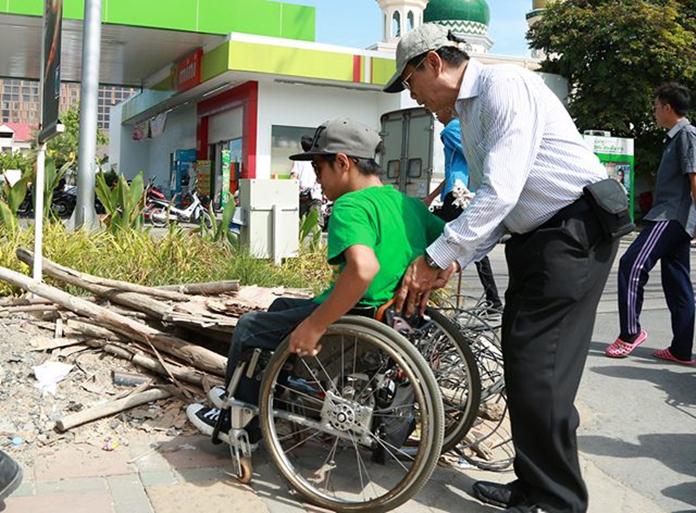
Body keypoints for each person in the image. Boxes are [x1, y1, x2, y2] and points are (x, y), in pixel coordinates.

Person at [383, 23, 622, 513]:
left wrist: (437, 257)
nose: (414, 97)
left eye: (409, 83)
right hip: (539, 237)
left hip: (572, 231)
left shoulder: (502, 86)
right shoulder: (469, 111)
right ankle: (534, 485)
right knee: (523, 363)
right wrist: (456, 257)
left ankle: (556, 502)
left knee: (542, 372)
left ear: (433, 63)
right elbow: (500, 205)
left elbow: (501, 192)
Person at [186, 117, 445, 443]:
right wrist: (440, 270)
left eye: (319, 169)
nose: (317, 179)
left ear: (342, 162)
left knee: (250, 327)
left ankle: (238, 422)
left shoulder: (351, 206)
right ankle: (257, 394)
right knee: (279, 306)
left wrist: (316, 325)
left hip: (355, 318)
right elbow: (451, 241)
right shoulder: (406, 204)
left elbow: (363, 269)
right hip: (392, 317)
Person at [606, 83, 696, 365]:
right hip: (675, 217)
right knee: (677, 282)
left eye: (656, 107)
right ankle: (681, 350)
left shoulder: (687, 135)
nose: (655, 112)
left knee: (631, 265)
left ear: (668, 107)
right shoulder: (675, 137)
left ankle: (630, 334)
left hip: (671, 216)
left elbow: (695, 180)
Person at [425, 107, 502, 312]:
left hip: (458, 194)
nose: (435, 114)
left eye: (437, 111)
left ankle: (429, 287)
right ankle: (493, 299)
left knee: (439, 234)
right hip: (456, 190)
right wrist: (431, 197)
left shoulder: (451, 129)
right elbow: (454, 168)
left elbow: (474, 158)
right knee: (468, 243)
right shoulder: (460, 128)